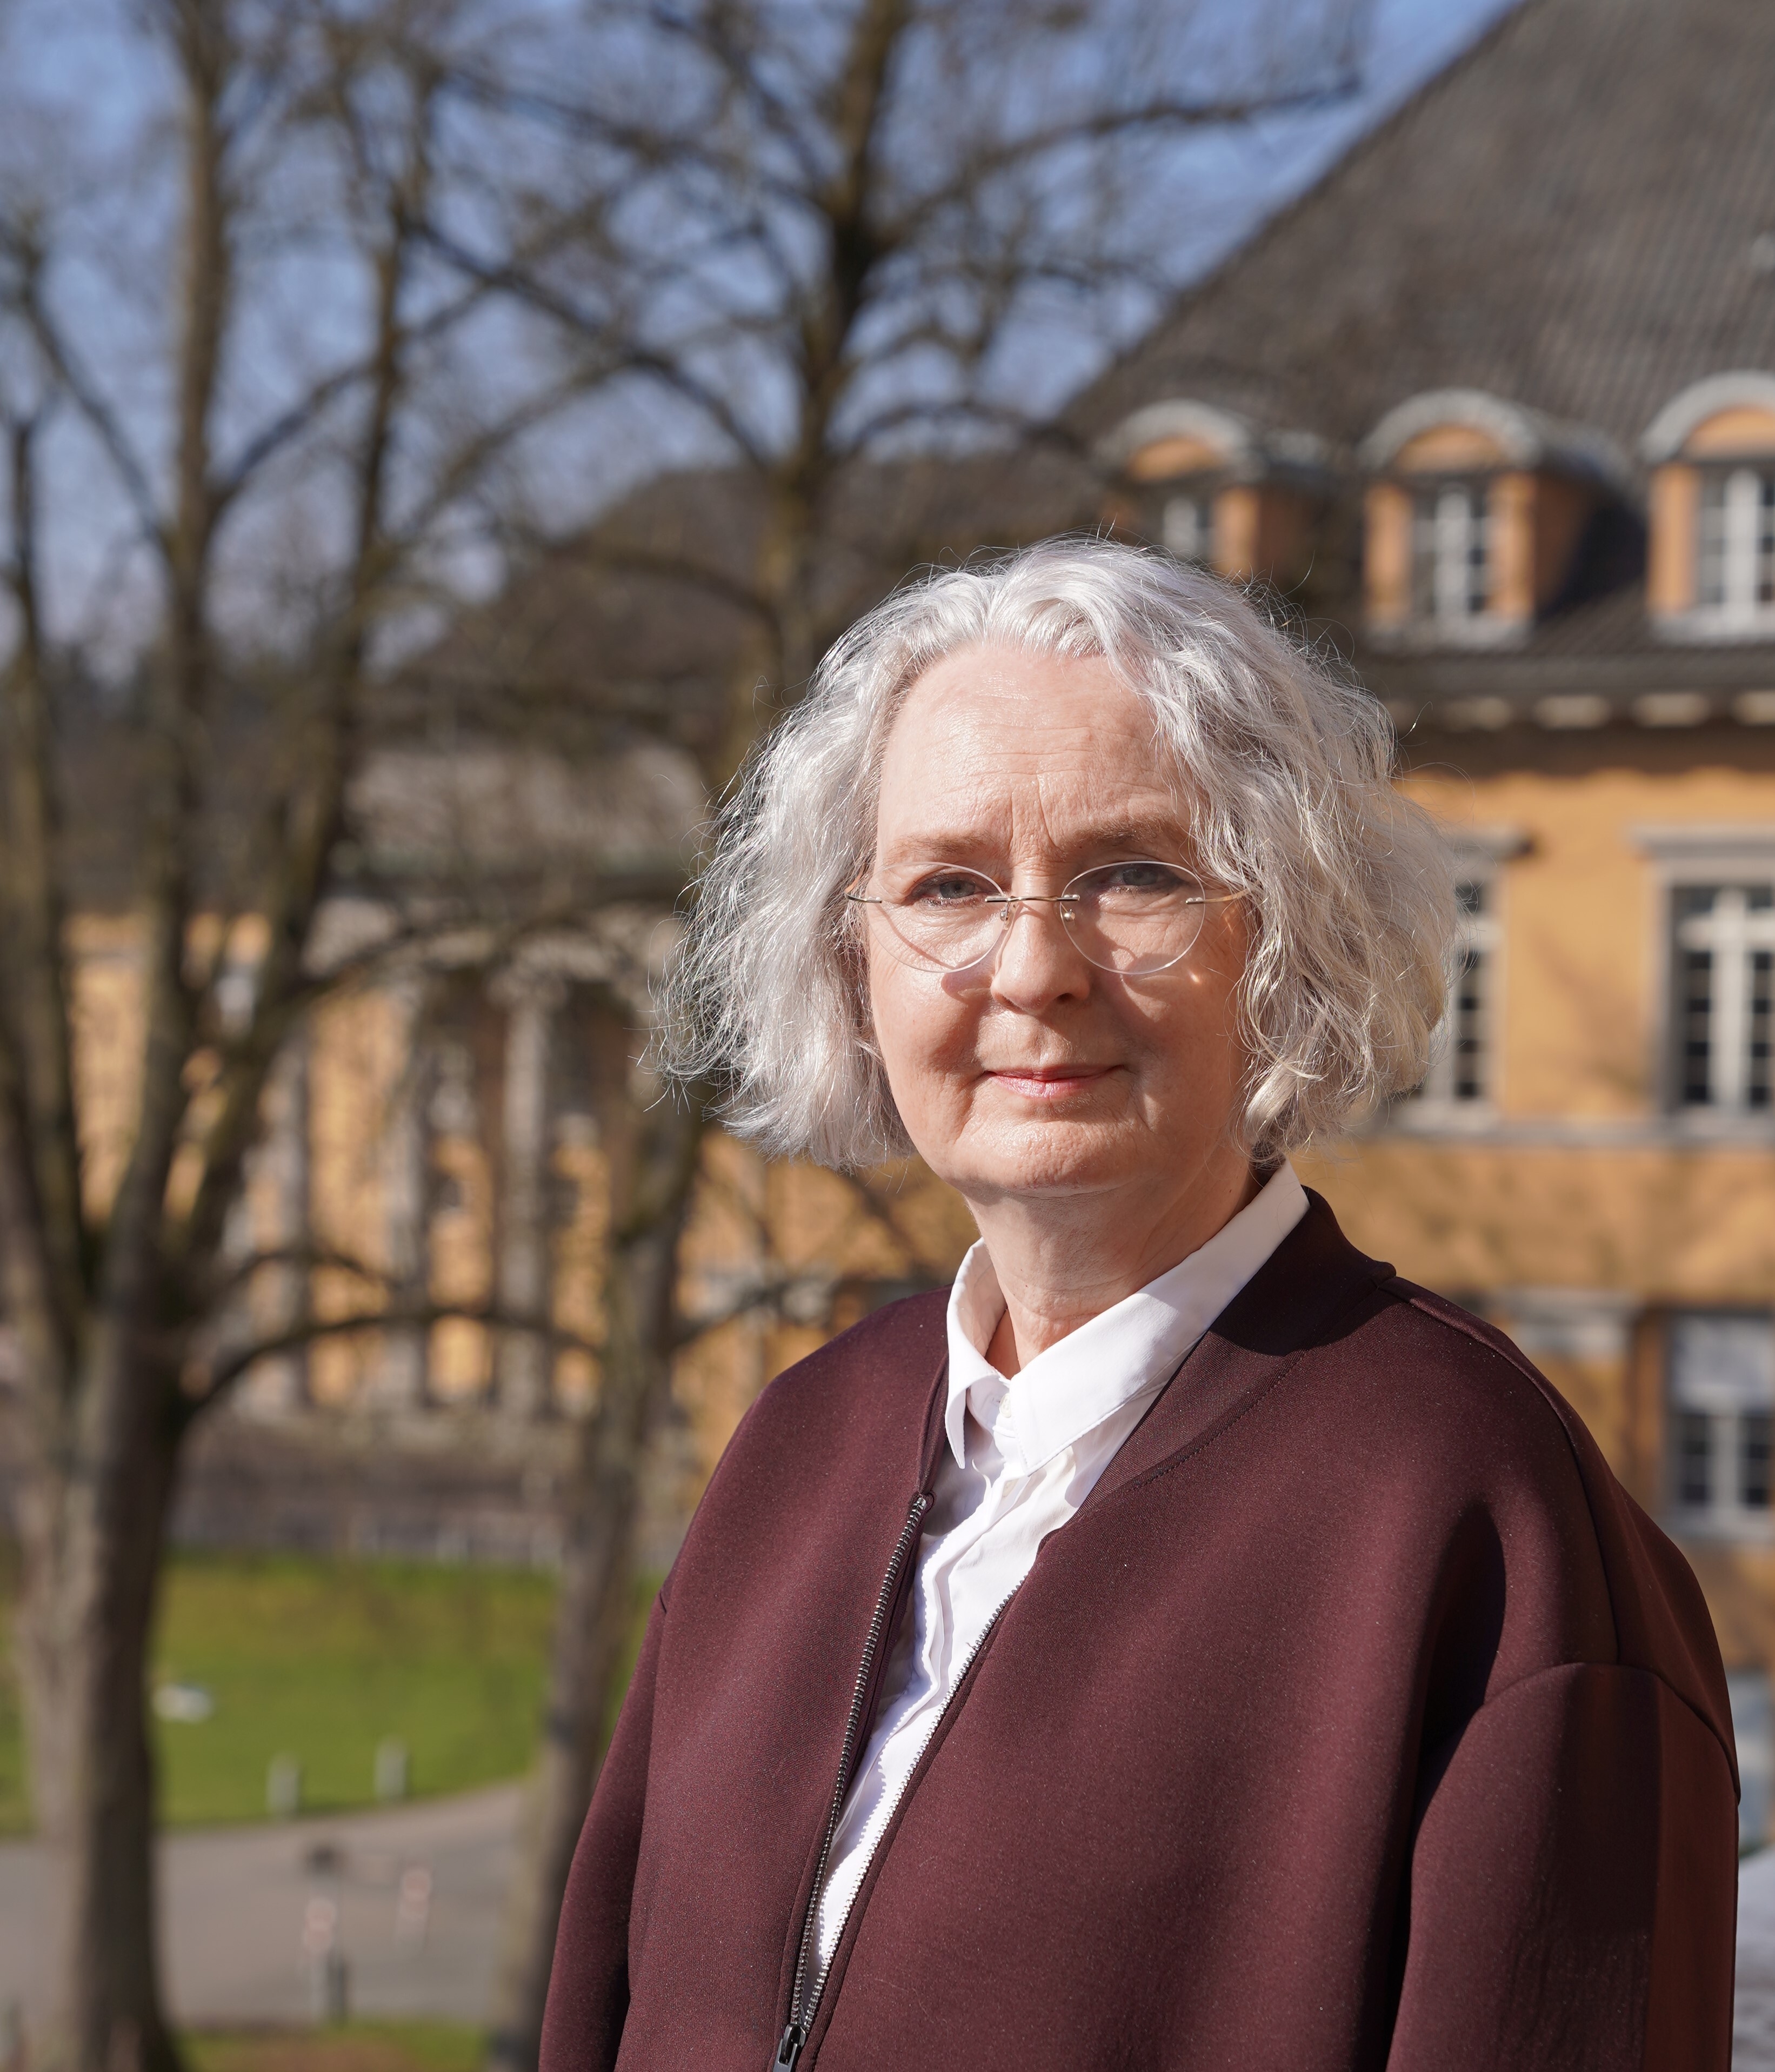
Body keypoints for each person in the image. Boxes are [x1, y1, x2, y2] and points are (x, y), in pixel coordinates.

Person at [539, 539, 1737, 2071]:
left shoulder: (1484, 1519)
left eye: (1133, 875)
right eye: (948, 885)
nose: (1033, 967)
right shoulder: (797, 1445)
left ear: (1284, 937)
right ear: (853, 962)